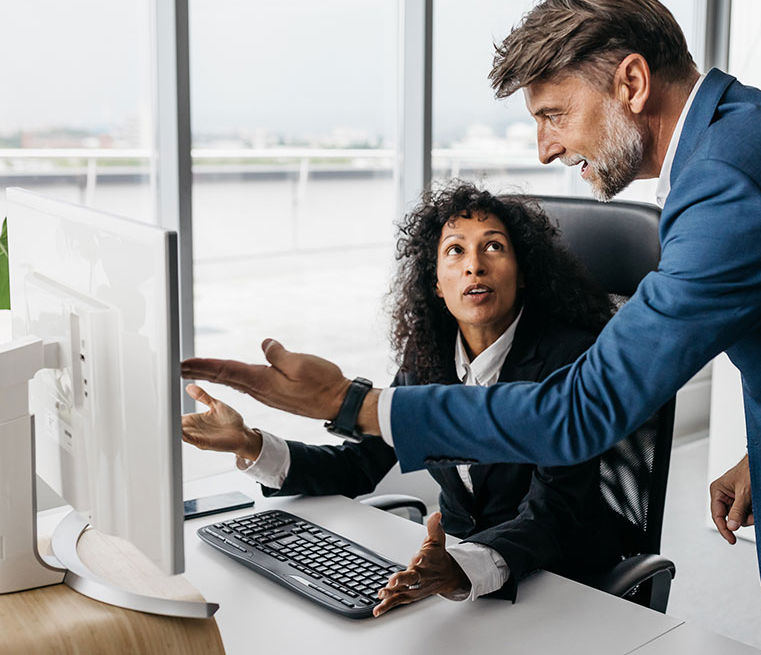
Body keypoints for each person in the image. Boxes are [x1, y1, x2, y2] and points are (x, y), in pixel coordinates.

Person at [184, 0, 761, 653]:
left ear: (630, 80)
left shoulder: (730, 181)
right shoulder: (742, 139)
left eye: (554, 113)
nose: (547, 146)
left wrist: (352, 402)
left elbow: (583, 410)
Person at [182, 182, 622, 616]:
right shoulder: (428, 355)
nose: (474, 266)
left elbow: (553, 513)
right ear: (436, 283)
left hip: (557, 583)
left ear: (523, 272)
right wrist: (252, 446)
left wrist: (461, 568)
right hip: (453, 583)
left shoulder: (571, 358)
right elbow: (361, 464)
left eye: (493, 247)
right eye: (455, 250)